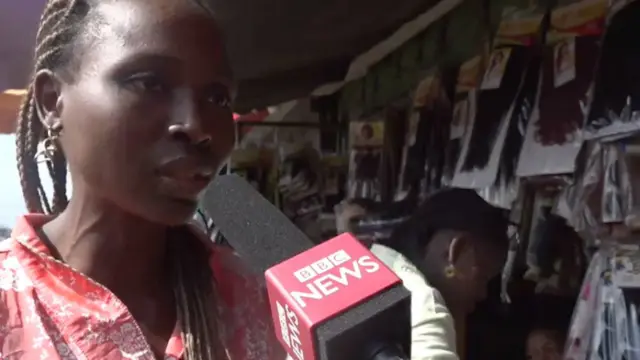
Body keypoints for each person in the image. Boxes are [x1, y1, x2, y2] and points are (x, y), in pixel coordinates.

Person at [0, 0, 286, 359]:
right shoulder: (8, 305)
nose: (197, 127)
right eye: (149, 83)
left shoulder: (255, 298)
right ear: (52, 101)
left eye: (217, 97)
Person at [337, 188, 509, 360]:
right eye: (483, 278)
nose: (482, 294)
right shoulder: (425, 310)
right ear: (457, 252)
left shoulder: (368, 266)